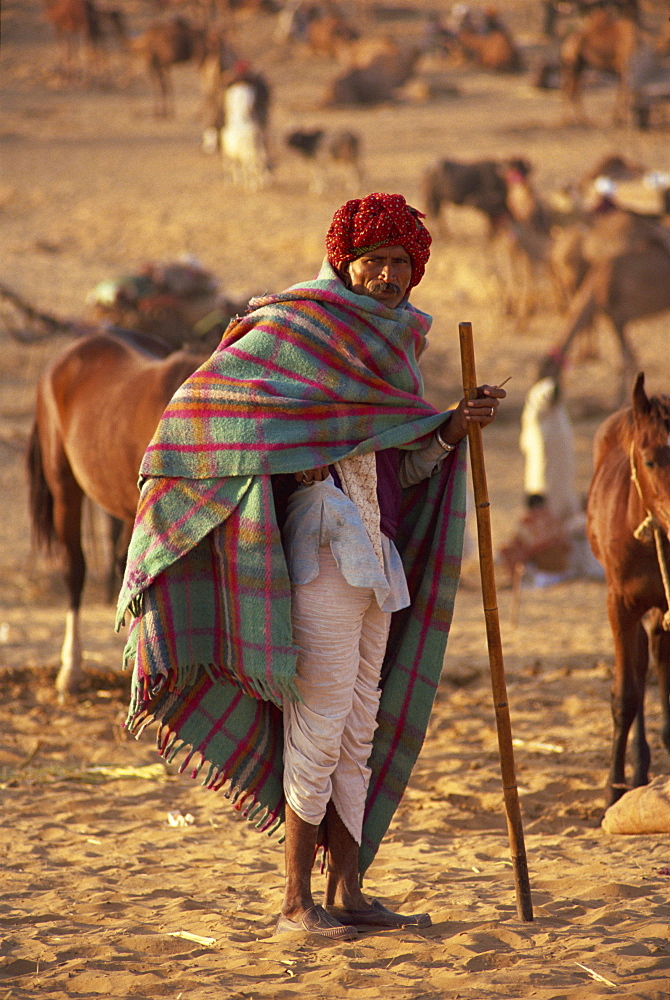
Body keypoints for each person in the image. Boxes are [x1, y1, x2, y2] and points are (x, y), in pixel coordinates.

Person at [117, 192, 506, 941]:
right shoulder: (295, 327)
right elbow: (199, 414)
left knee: (361, 728)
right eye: (374, 262)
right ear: (345, 262)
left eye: (401, 263)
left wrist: (452, 426)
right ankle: (297, 901)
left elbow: (406, 469)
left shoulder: (395, 351)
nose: (388, 276)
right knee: (321, 727)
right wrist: (289, 454)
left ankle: (350, 891)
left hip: (379, 561)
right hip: (321, 555)